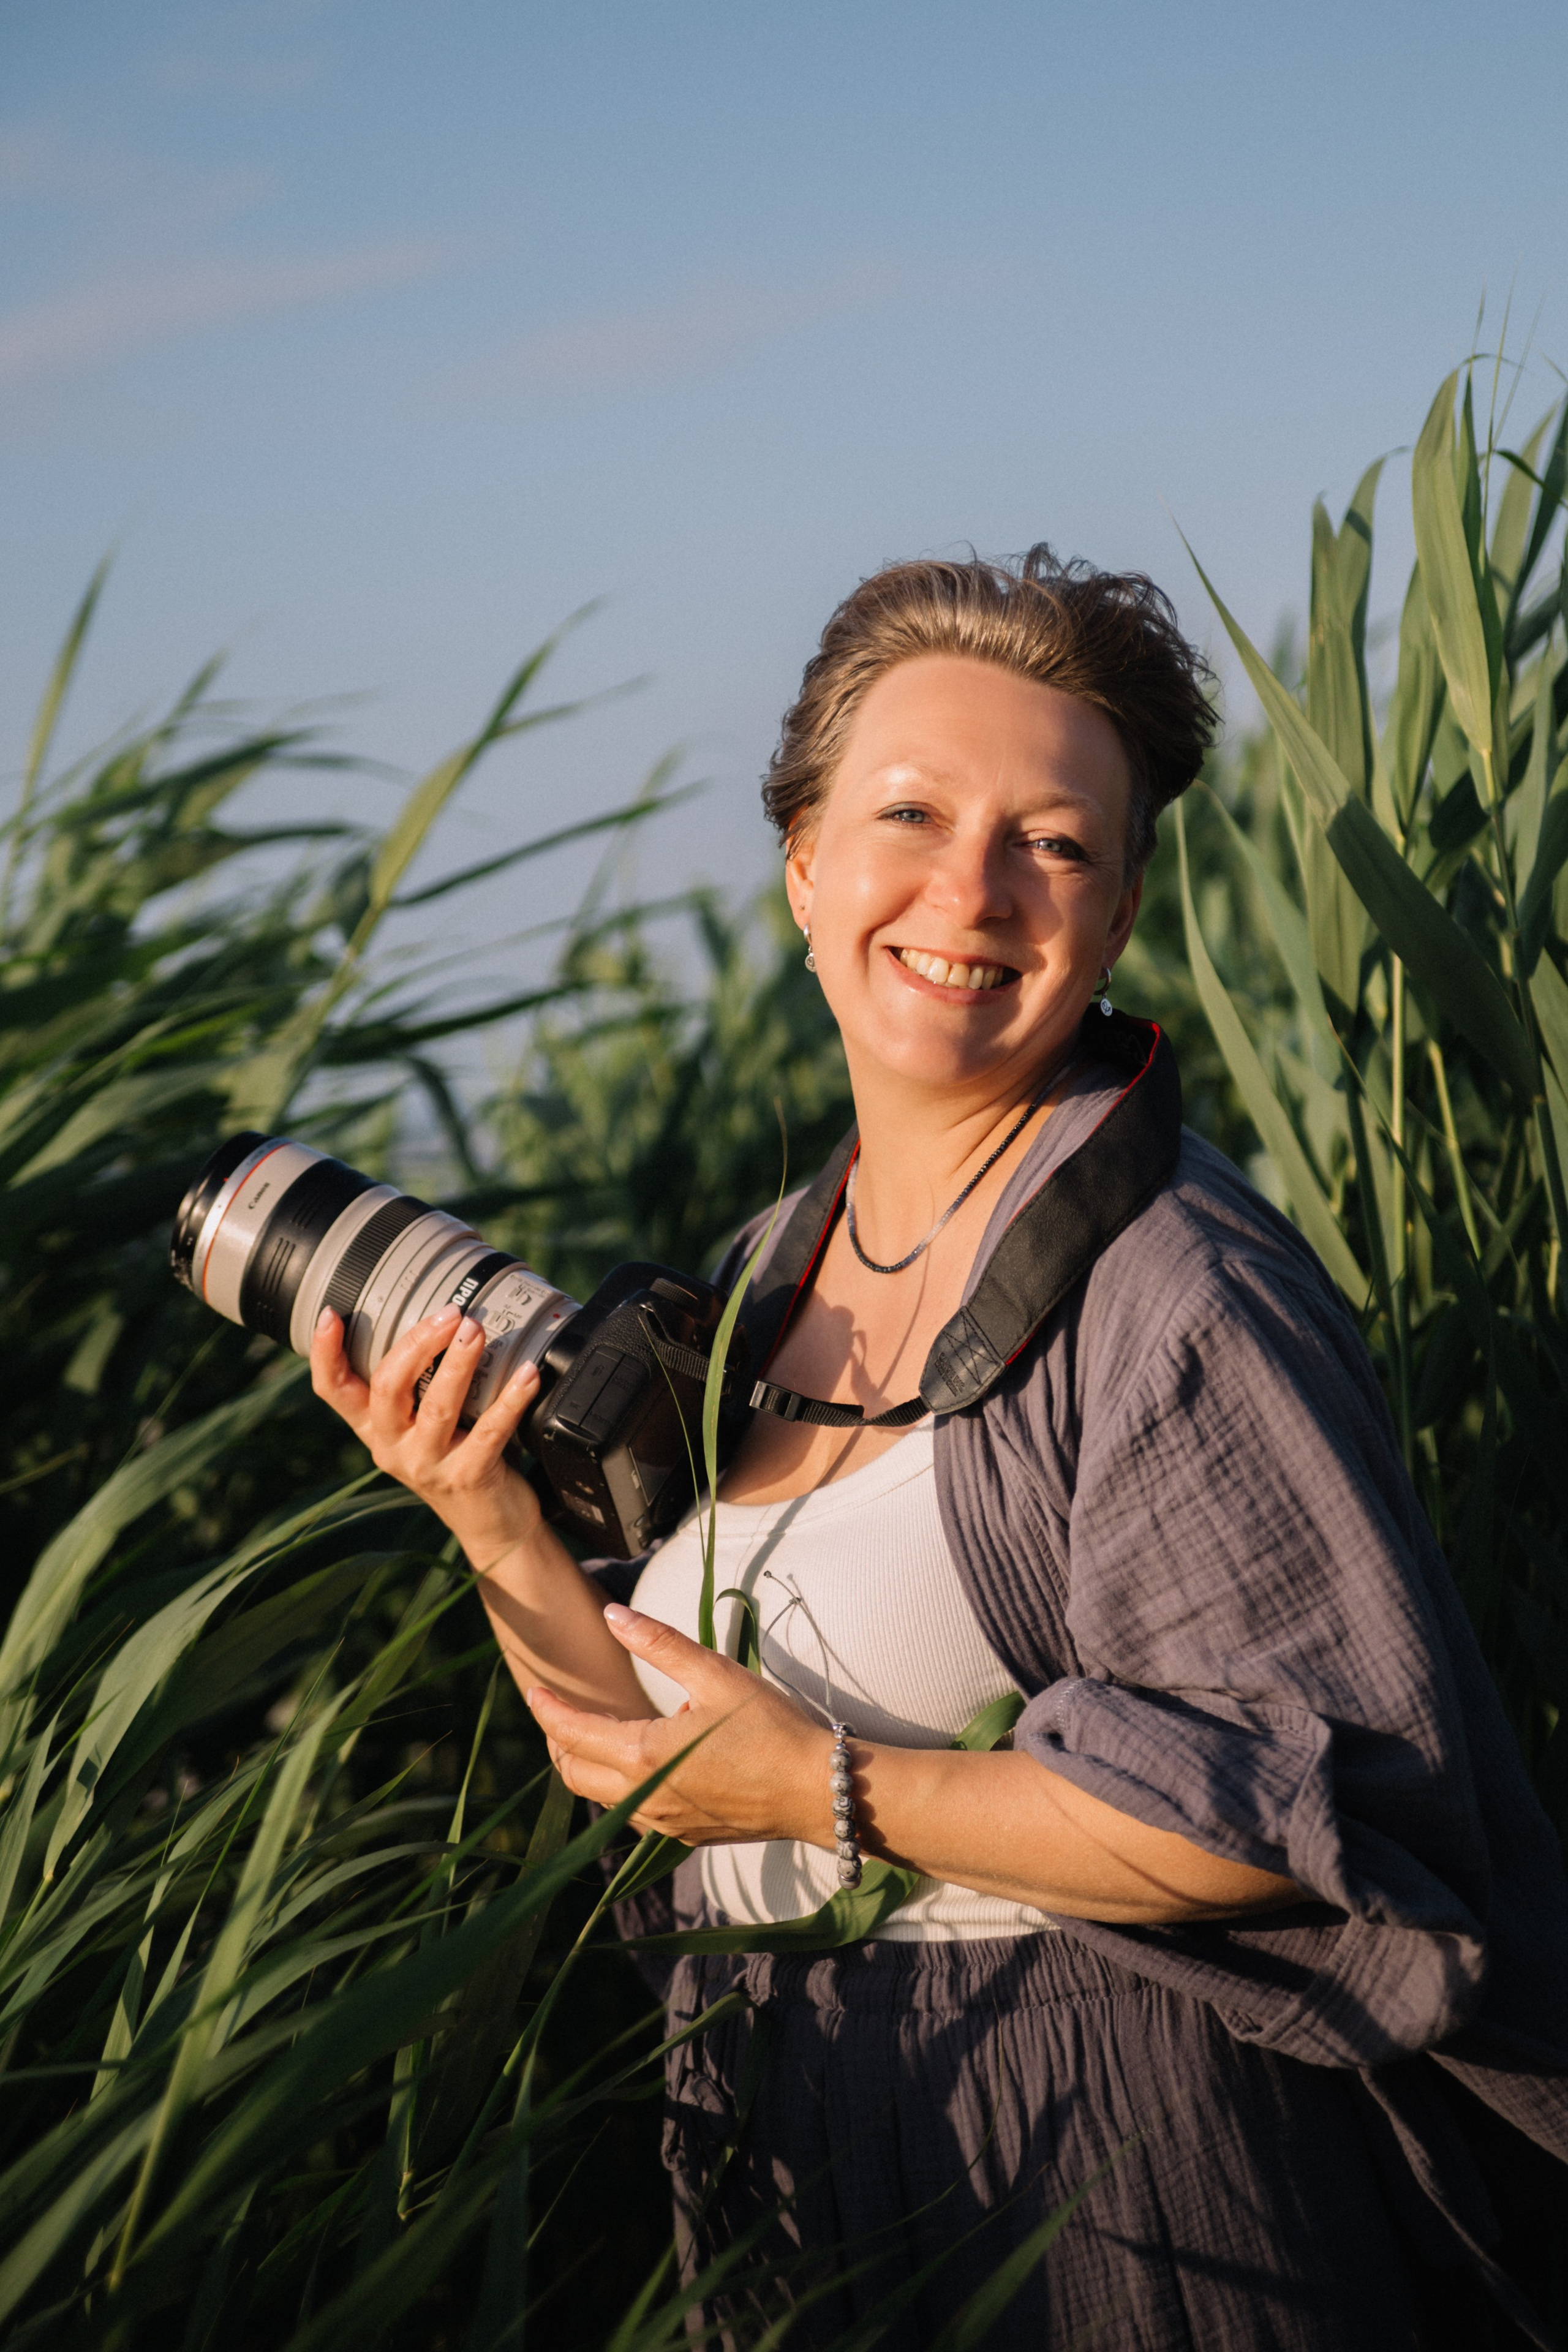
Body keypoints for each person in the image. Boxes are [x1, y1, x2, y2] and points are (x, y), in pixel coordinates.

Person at [310, 549, 1568, 2350]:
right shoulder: (769, 1266)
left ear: (1117, 915)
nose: (971, 890)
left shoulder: (1179, 1293)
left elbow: (1298, 1806)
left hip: (1118, 2165)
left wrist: (824, 1794)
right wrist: (491, 1521)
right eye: (910, 814)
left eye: (1052, 842)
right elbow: (646, 1765)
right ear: (804, 866)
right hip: (797, 2119)